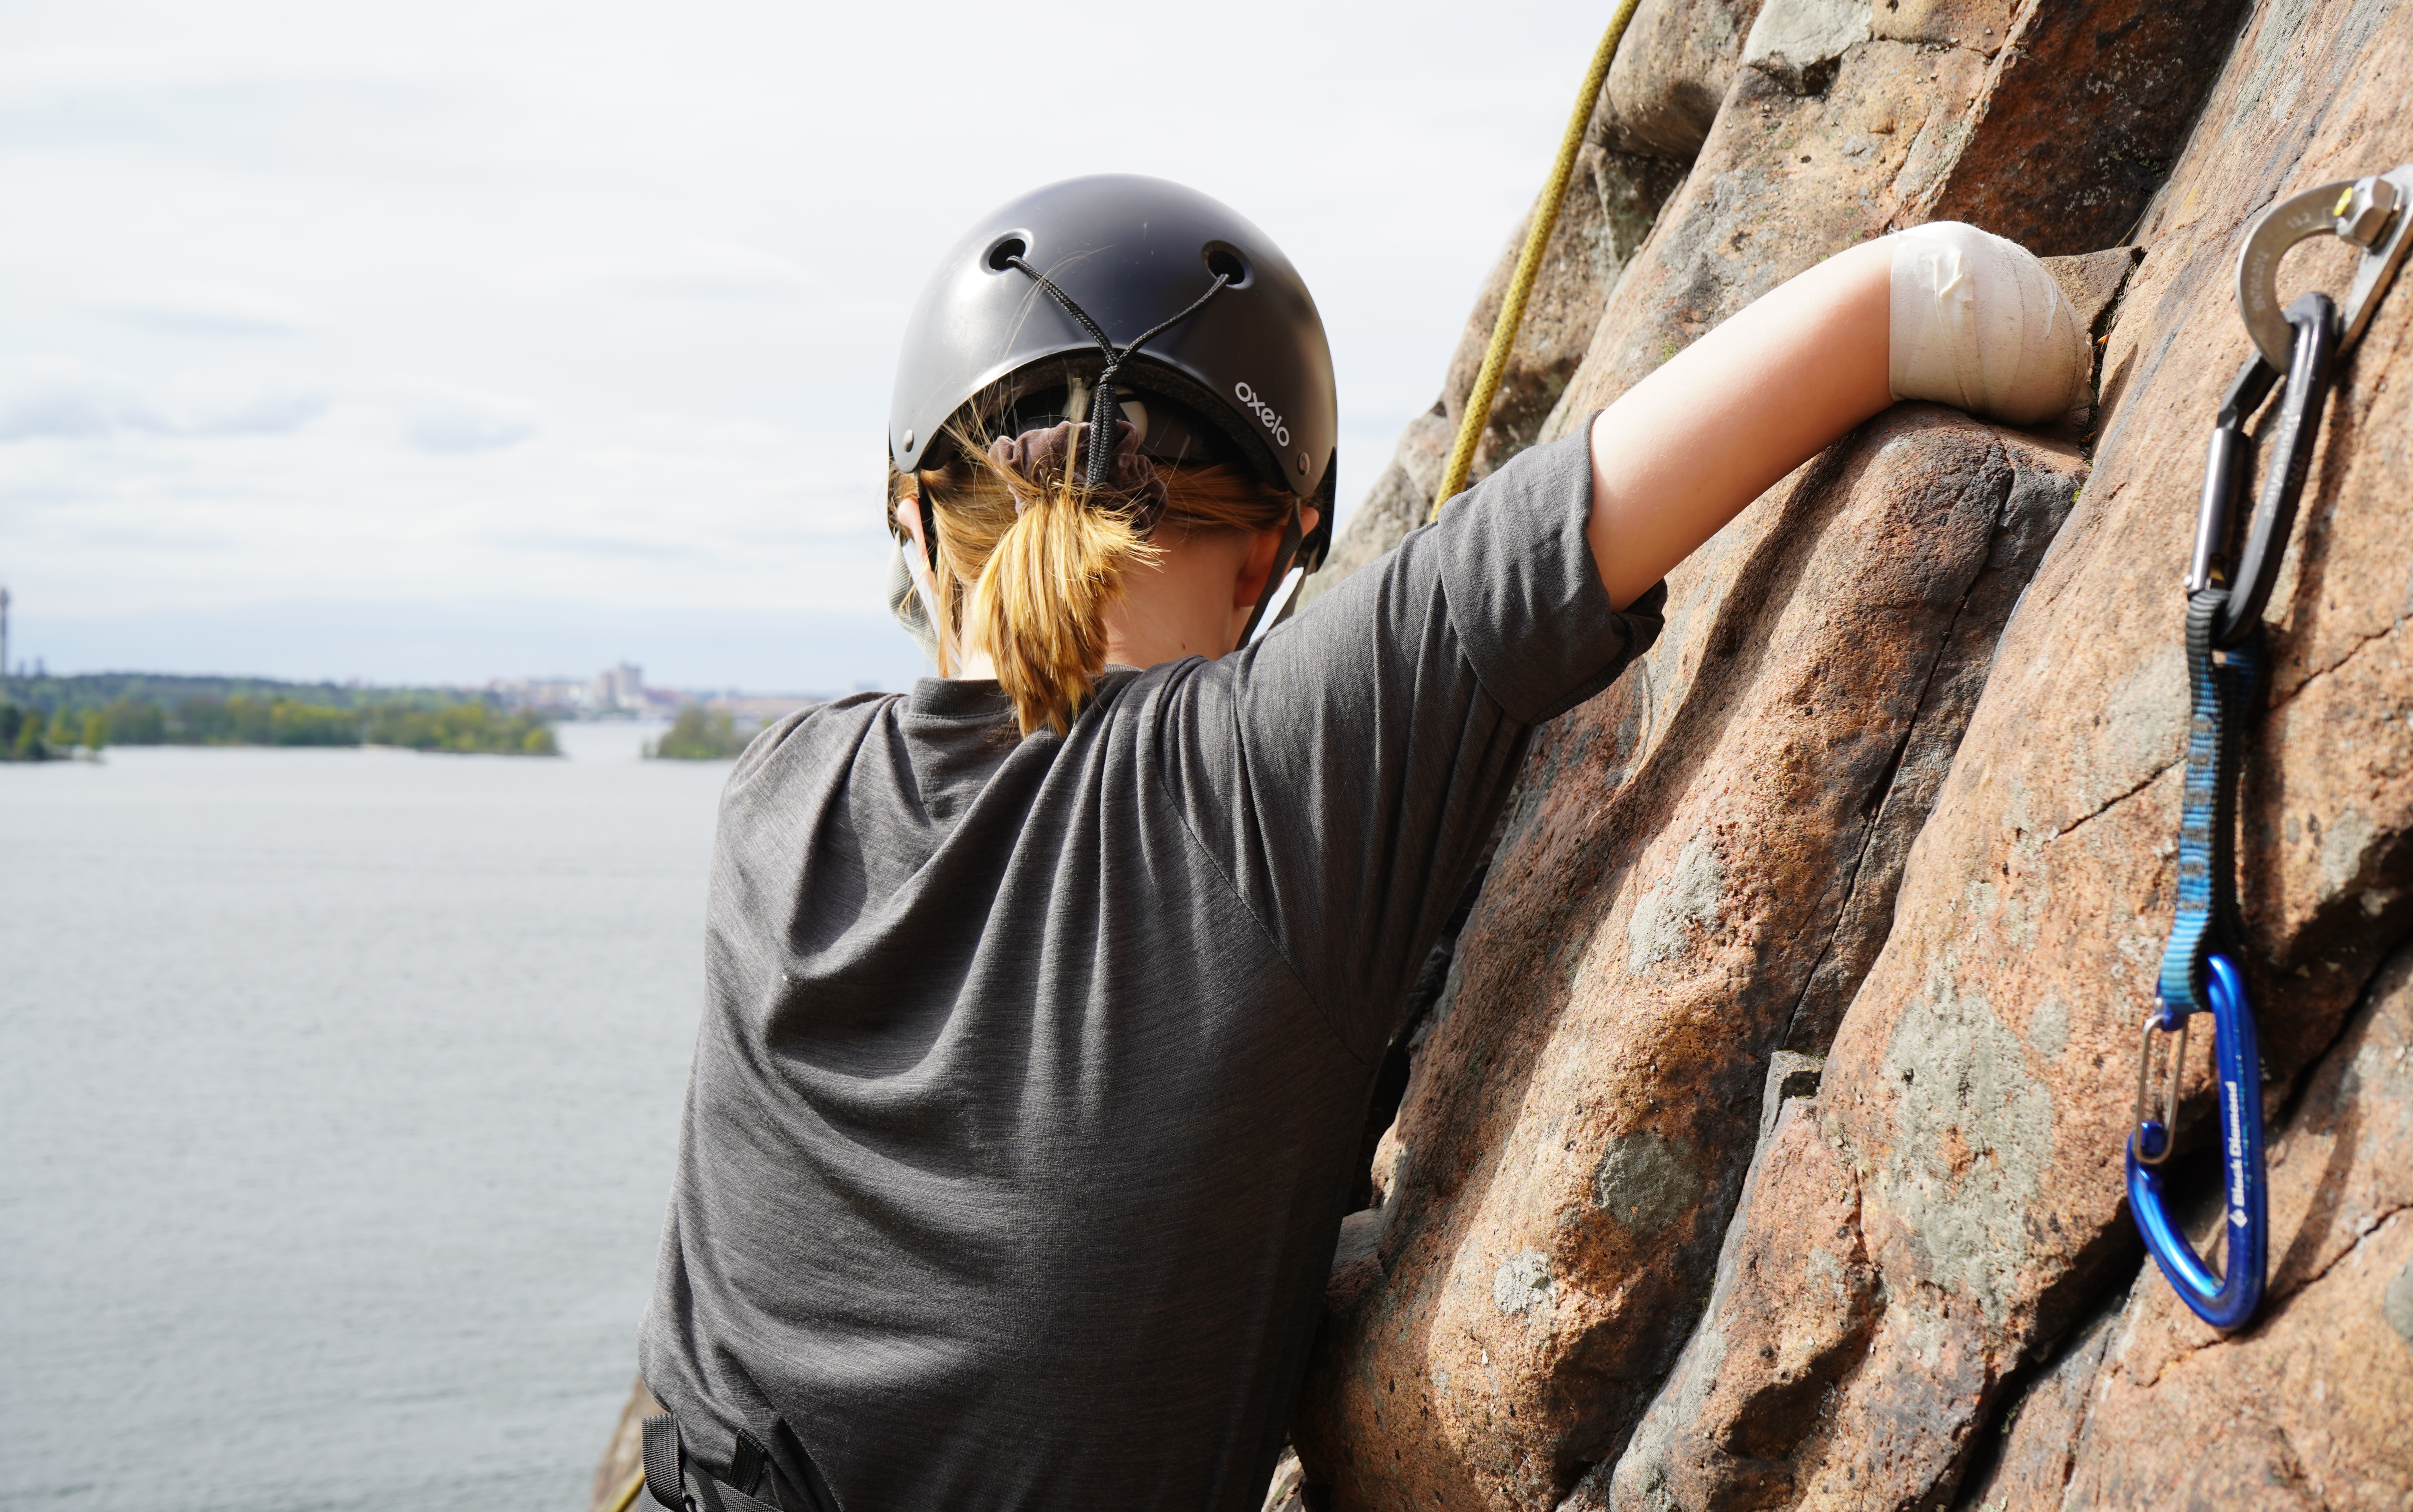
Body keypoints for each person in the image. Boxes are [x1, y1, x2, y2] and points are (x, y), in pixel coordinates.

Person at [636, 174, 2089, 1512]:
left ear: (913, 518)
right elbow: (1940, 295)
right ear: (1272, 555)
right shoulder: (1276, 774)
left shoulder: (773, 796)